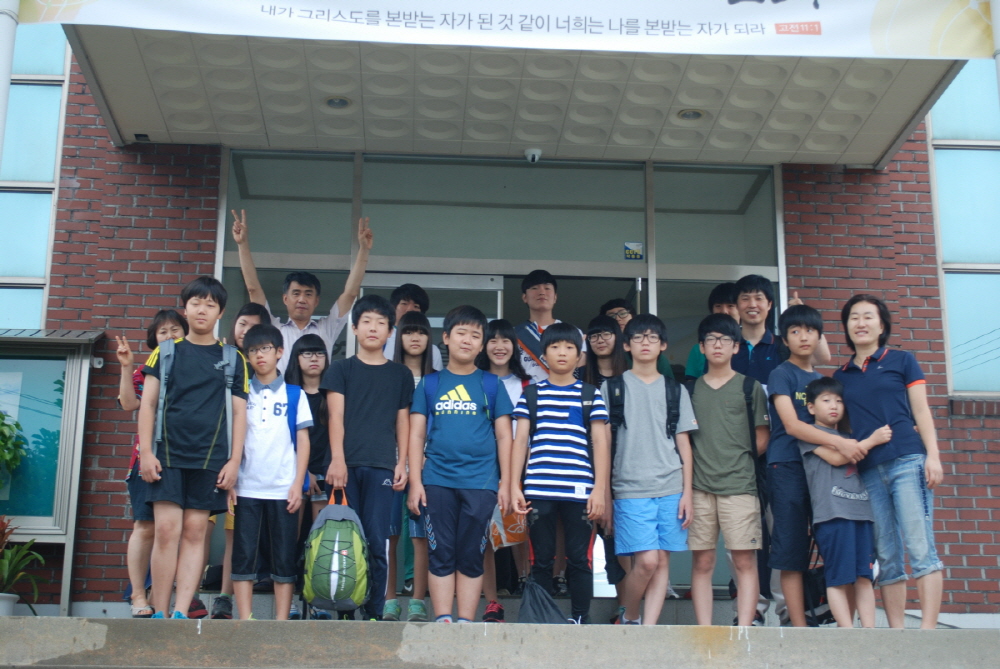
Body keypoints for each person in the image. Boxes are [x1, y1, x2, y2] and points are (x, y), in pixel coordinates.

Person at [138, 277, 249, 619]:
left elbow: (239, 414)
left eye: (210, 305)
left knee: (195, 532)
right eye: (196, 303)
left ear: (221, 313)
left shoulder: (233, 358)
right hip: (167, 456)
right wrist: (146, 453)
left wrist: (234, 461)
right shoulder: (165, 351)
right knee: (166, 531)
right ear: (184, 309)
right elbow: (148, 404)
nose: (202, 310)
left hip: (210, 459)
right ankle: (159, 611)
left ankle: (181, 612)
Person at [833, 294, 944, 629]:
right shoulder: (841, 376)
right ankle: (897, 633)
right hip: (868, 471)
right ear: (846, 327)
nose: (861, 323)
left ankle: (927, 633)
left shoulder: (902, 360)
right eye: (854, 317)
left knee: (920, 546)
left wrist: (933, 456)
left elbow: (921, 411)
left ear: (882, 325)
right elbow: (843, 427)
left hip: (908, 461)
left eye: (868, 316)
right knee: (886, 554)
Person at [408, 305, 514, 623]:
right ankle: (443, 620)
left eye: (475, 335)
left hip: (481, 482)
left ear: (481, 345)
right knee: (440, 553)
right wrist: (415, 482)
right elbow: (416, 435)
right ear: (446, 338)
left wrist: (507, 483)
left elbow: (505, 436)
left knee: (471, 554)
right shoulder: (429, 384)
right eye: (461, 333)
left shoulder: (491, 385)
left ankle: (465, 623)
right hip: (436, 480)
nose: (467, 340)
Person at [321, 294, 414, 620]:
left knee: (377, 540)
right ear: (355, 328)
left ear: (390, 331)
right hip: (344, 467)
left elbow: (403, 421)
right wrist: (337, 460)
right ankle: (345, 611)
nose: (373, 328)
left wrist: (402, 463)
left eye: (381, 322)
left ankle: (373, 612)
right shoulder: (340, 369)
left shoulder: (400, 374)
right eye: (367, 321)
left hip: (382, 466)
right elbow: (335, 417)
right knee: (344, 538)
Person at [511, 322, 609, 625]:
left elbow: (601, 444)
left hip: (580, 490)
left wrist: (599, 490)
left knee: (580, 559)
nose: (562, 352)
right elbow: (520, 442)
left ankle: (580, 618)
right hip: (539, 489)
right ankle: (541, 621)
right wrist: (514, 486)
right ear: (544, 355)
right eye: (555, 347)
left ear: (580, 356)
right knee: (540, 559)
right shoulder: (531, 395)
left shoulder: (590, 394)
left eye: (569, 347)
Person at [601, 314, 692, 626]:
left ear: (663, 345)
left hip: (671, 486)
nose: (645, 343)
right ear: (626, 345)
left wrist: (688, 493)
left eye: (652, 337)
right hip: (629, 488)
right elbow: (603, 445)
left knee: (662, 560)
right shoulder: (612, 388)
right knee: (647, 561)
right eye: (638, 337)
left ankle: (647, 630)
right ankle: (631, 615)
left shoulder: (675, 390)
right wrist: (605, 494)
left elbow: (684, 445)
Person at [687, 313, 769, 627]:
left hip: (741, 486)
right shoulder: (690, 390)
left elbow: (762, 437)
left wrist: (735, 460)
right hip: (700, 487)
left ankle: (745, 628)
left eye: (725, 339)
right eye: (711, 339)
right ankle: (705, 631)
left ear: (736, 346)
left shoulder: (750, 387)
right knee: (703, 561)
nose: (718, 345)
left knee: (744, 560)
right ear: (701, 347)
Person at [229, 323, 312, 621]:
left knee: (284, 557)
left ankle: (281, 621)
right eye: (252, 350)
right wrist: (231, 482)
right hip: (246, 486)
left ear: (279, 352)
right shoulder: (240, 394)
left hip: (283, 488)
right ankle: (245, 619)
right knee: (243, 555)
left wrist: (298, 484)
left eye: (265, 348)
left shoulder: (295, 394)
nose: (259, 355)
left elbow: (303, 442)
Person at [231, 209, 373, 374]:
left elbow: (350, 293)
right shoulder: (274, 329)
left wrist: (364, 249)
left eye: (308, 294)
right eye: (296, 293)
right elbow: (253, 289)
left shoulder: (326, 329)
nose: (302, 299)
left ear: (316, 301)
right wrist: (242, 244)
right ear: (285, 299)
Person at [800, 377, 892, 628]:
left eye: (839, 401)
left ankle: (869, 631)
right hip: (833, 515)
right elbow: (838, 458)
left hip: (862, 514)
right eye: (826, 400)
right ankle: (847, 631)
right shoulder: (810, 435)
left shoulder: (851, 435)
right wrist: (873, 440)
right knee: (838, 577)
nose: (834, 406)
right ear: (811, 407)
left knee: (864, 577)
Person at [204, 301, 273, 620]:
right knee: (200, 526)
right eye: (242, 324)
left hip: (244, 466)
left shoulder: (264, 372)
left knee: (235, 533)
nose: (246, 331)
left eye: (254, 326)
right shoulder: (221, 359)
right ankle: (190, 594)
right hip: (209, 456)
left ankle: (224, 597)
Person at [117, 310, 188, 618]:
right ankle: (137, 594)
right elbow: (129, 403)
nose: (170, 336)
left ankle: (162, 599)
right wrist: (127, 367)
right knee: (145, 527)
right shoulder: (147, 369)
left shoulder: (196, 366)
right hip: (146, 459)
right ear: (154, 339)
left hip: (185, 459)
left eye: (175, 330)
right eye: (163, 332)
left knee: (175, 532)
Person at [762, 304, 826, 627]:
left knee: (831, 541)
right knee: (790, 546)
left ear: (819, 336)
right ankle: (797, 626)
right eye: (795, 331)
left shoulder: (822, 380)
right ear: (784, 339)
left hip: (821, 468)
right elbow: (791, 425)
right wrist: (842, 444)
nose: (803, 337)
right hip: (786, 466)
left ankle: (834, 616)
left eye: (810, 330)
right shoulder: (781, 374)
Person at [475, 318, 533, 623]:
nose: (499, 346)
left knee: (518, 525)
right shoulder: (476, 381)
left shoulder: (525, 385)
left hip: (520, 462)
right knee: (486, 530)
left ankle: (525, 582)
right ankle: (491, 597)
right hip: (483, 463)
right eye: (493, 340)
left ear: (514, 346)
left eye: (505, 340)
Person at [383, 311, 435, 623]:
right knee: (390, 533)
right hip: (390, 464)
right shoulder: (389, 375)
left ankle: (418, 599)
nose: (415, 338)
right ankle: (389, 599)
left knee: (421, 535)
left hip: (428, 465)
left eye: (421, 332)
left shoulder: (436, 379)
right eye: (408, 332)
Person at [582, 314, 631, 617]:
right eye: (594, 335)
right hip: (582, 464)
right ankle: (579, 609)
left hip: (625, 465)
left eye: (606, 334)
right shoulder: (579, 377)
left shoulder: (631, 377)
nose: (600, 340)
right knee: (583, 538)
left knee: (619, 539)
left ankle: (625, 609)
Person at [515, 269, 585, 383]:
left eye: (547, 288)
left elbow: (580, 370)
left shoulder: (573, 332)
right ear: (524, 297)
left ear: (555, 297)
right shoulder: (515, 334)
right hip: (525, 392)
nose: (542, 292)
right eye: (535, 288)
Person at [598, 298, 674, 379]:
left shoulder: (655, 356)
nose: (618, 318)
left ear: (633, 316)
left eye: (623, 313)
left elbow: (669, 385)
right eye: (611, 316)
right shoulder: (601, 350)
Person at [684, 282, 739, 383]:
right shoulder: (698, 349)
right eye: (718, 306)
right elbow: (691, 384)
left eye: (730, 306)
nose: (724, 311)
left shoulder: (748, 346)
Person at [385, 283, 444, 371]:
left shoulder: (432, 350)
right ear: (393, 308)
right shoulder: (382, 342)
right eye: (404, 303)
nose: (409, 309)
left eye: (416, 306)